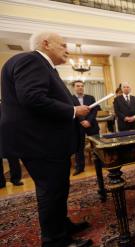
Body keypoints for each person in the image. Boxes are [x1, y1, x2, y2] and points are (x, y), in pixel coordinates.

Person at [0, 31, 92, 246]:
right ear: (46, 44)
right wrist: (73, 111)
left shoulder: (43, 66)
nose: (67, 50)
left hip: (44, 140)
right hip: (38, 141)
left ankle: (61, 226)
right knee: (51, 190)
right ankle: (55, 240)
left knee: (59, 187)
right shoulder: (30, 60)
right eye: (63, 45)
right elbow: (32, 98)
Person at [71, 80, 101, 176]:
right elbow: (72, 111)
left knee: (97, 144)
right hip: (78, 125)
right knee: (79, 146)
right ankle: (79, 167)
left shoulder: (90, 97)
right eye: (78, 86)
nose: (80, 87)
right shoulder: (70, 99)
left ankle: (101, 163)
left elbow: (94, 110)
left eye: (82, 86)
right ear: (74, 88)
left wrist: (88, 121)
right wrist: (82, 121)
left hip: (91, 124)